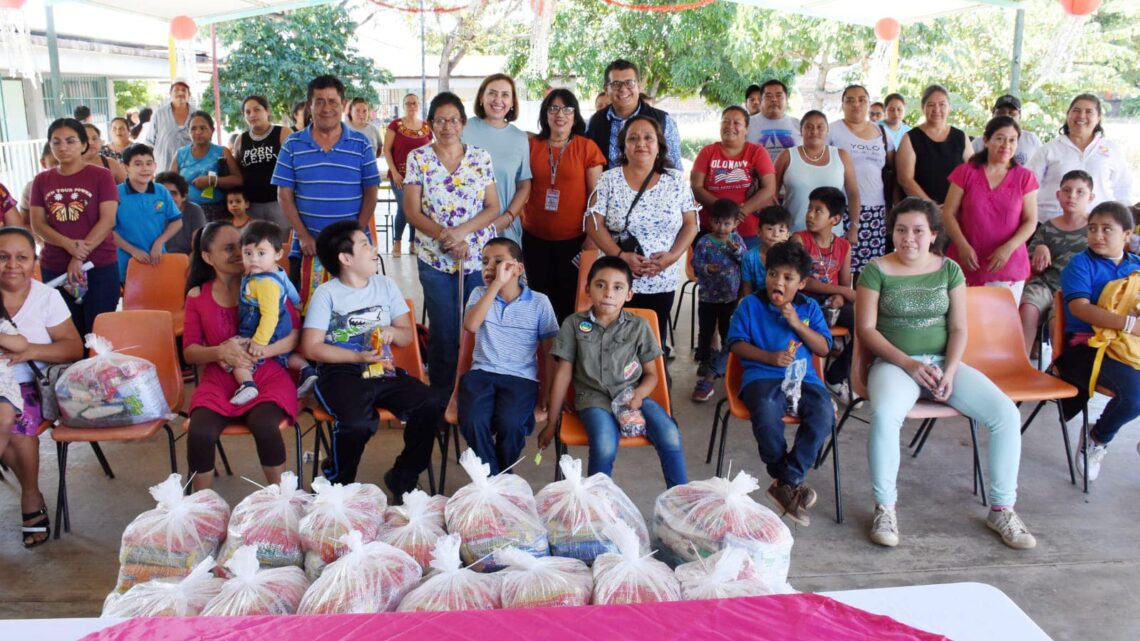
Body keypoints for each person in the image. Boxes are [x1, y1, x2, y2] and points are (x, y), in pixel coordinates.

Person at [858, 197, 1035, 550]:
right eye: (901, 230)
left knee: (1005, 414)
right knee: (886, 414)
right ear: (892, 232)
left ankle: (1002, 508)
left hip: (943, 363)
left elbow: (958, 329)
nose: (909, 238)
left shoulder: (949, 270)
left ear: (933, 234)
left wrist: (950, 370)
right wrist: (909, 364)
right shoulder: (875, 270)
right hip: (896, 365)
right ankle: (885, 507)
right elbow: (866, 330)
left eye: (918, 231)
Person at [300, 221, 444, 501]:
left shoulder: (385, 285)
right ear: (345, 258)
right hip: (340, 372)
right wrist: (355, 355)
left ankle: (404, 475)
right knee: (358, 423)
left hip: (382, 370)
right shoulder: (326, 294)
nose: (374, 249)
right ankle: (337, 483)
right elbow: (312, 347)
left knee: (429, 403)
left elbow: (406, 337)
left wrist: (393, 332)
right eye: (365, 245)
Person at [539, 256, 688, 487]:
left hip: (632, 395)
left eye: (618, 287)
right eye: (600, 285)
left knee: (670, 435)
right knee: (605, 443)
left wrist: (638, 396)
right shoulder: (573, 324)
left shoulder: (639, 326)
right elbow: (563, 374)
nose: (609, 293)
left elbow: (652, 374)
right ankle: (599, 504)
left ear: (629, 294)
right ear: (588, 289)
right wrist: (551, 422)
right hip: (592, 399)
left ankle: (679, 499)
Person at [182, 221, 299, 493]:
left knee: (265, 424)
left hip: (268, 372)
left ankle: (281, 502)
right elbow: (189, 351)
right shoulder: (198, 297)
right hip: (219, 379)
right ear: (207, 257)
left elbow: (295, 335)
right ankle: (200, 509)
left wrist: (259, 351)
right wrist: (220, 352)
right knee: (200, 431)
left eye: (241, 245)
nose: (240, 253)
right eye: (228, 248)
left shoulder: (266, 284)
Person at [726, 240, 834, 525]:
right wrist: (768, 358)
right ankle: (786, 481)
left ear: (802, 283)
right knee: (765, 408)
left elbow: (824, 348)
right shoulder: (750, 305)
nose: (778, 282)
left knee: (824, 412)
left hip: (804, 378)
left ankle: (787, 480)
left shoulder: (809, 308)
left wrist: (797, 324)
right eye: (773, 274)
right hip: (761, 376)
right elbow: (736, 344)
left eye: (788, 278)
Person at [403, 92, 501, 394]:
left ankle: (475, 392)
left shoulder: (480, 157)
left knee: (477, 326)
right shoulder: (418, 158)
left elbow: (493, 207)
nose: (448, 126)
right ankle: (443, 396)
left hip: (476, 260)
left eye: (454, 120)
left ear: (463, 123)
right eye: (441, 120)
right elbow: (411, 210)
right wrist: (445, 237)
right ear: (431, 123)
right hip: (435, 258)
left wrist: (461, 234)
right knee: (444, 331)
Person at [584, 115, 698, 352]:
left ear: (659, 146)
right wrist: (619, 255)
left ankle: (653, 386)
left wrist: (673, 257)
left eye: (648, 138)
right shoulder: (608, 180)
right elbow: (594, 223)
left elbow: (691, 223)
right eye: (633, 138)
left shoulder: (675, 181)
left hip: (661, 277)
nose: (641, 143)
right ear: (624, 146)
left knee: (653, 343)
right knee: (615, 344)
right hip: (617, 279)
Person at [0, 227, 84, 546]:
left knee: (17, 423)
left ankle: (31, 495)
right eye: (3, 257)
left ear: (33, 261)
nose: (12, 265)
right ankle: (31, 495)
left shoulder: (46, 297)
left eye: (21, 258)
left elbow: (73, 348)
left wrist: (29, 350)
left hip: (31, 383)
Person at [1053, 201, 1140, 483]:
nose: (1097, 235)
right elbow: (1080, 308)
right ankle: (1097, 437)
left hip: (1129, 346)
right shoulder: (1081, 264)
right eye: (1092, 228)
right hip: (1088, 347)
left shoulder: (1136, 266)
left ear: (1127, 235)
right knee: (1135, 397)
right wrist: (1129, 323)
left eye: (1107, 229)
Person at [458, 238, 558, 473]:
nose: (489, 267)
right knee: (472, 421)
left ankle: (497, 477)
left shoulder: (539, 302)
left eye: (499, 261)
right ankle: (499, 478)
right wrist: (494, 287)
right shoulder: (479, 294)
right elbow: (471, 326)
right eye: (484, 262)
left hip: (521, 378)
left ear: (518, 269)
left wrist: (547, 392)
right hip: (481, 373)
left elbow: (550, 352)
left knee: (511, 424)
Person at [273, 75, 379, 289]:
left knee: (355, 316)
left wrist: (355, 233)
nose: (326, 108)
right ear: (309, 106)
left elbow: (371, 192)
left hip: (353, 251)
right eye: (319, 101)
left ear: (343, 105)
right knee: (307, 316)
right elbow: (284, 195)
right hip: (307, 249)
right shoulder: (292, 144)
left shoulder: (362, 143)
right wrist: (303, 236)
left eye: (333, 101)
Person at [28, 118, 120, 337]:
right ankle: (72, 372)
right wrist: (69, 246)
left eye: (70, 141)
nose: (63, 147)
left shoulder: (102, 175)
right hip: (56, 265)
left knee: (99, 331)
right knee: (68, 333)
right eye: (56, 142)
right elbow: (37, 223)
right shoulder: (41, 180)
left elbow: (108, 220)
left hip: (99, 264)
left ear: (83, 144)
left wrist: (79, 257)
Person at [523, 88, 605, 322]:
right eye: (554, 108)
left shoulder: (586, 148)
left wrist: (593, 236)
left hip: (574, 240)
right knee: (539, 300)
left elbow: (596, 197)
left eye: (567, 109)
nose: (560, 114)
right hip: (534, 238)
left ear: (575, 115)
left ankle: (565, 355)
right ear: (545, 113)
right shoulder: (532, 146)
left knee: (569, 301)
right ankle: (543, 354)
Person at [942, 116, 1039, 301]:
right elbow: (948, 213)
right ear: (986, 140)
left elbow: (1031, 221)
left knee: (1001, 326)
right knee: (963, 323)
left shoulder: (1025, 177)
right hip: (967, 261)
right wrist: (962, 246)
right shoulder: (966, 172)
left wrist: (1008, 248)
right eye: (1000, 138)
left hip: (1008, 267)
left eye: (1012, 140)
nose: (1006, 145)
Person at [230, 221, 317, 405]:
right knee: (285, 355)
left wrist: (259, 341)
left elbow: (269, 316)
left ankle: (247, 384)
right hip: (282, 327)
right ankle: (306, 370)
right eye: (248, 253)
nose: (254, 259)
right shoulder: (278, 272)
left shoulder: (264, 283)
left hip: (263, 328)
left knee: (239, 357)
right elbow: (290, 287)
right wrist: (297, 302)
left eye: (261, 253)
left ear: (278, 253)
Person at [1027, 93, 1132, 222]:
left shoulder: (1110, 150)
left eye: (1089, 111)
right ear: (1068, 115)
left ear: (1098, 117)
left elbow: (1123, 188)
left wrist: (1125, 221)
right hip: (1049, 225)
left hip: (1097, 227)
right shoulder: (1049, 150)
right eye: (1076, 110)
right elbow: (1026, 186)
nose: (1081, 116)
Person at [1018, 170, 1092, 354]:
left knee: (1058, 319)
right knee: (1028, 306)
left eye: (1080, 192)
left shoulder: (1094, 229)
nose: (1072, 196)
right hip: (1044, 284)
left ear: (1091, 197)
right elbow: (1030, 264)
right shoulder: (1047, 227)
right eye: (1067, 190)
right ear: (1058, 195)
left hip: (1074, 290)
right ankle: (1021, 361)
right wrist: (1040, 249)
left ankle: (1058, 368)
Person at [793, 186, 853, 391]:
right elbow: (802, 281)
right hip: (802, 301)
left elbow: (845, 284)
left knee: (867, 326)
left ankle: (836, 376)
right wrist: (842, 292)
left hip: (830, 304)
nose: (810, 214)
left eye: (818, 210)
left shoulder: (844, 246)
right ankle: (806, 381)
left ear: (834, 219)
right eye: (810, 208)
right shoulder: (800, 240)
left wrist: (840, 296)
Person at [691, 106, 776, 248]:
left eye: (736, 123)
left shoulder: (757, 152)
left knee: (748, 269)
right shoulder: (707, 152)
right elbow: (696, 187)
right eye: (725, 122)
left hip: (749, 230)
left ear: (746, 128)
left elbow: (770, 187)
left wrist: (740, 212)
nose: (730, 126)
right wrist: (724, 212)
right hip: (712, 230)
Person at [462, 74, 532, 245]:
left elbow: (524, 184)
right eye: (492, 93)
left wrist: (507, 218)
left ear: (513, 102)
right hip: (464, 227)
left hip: (505, 230)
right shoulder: (463, 129)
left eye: (505, 95)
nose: (498, 100)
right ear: (481, 97)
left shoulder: (519, 138)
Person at [829, 85, 891, 273]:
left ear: (869, 104)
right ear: (842, 105)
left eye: (862, 100)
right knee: (836, 266)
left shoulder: (882, 133)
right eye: (850, 100)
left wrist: (890, 208)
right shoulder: (832, 130)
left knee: (869, 271)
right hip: (839, 208)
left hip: (875, 211)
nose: (856, 104)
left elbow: (891, 170)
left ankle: (863, 303)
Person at [690, 199, 745, 402]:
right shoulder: (705, 241)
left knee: (727, 330)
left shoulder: (737, 241)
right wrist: (706, 269)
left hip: (729, 296)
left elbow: (745, 260)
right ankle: (704, 359)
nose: (722, 228)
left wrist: (736, 251)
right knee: (705, 329)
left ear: (735, 224)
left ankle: (726, 360)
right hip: (708, 296)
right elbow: (695, 263)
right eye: (717, 223)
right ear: (711, 222)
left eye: (727, 224)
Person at [774, 111, 861, 235]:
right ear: (801, 131)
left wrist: (854, 227)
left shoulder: (841, 156)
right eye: (809, 127)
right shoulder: (787, 156)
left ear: (827, 130)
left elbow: (853, 193)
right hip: (794, 234)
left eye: (820, 127)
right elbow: (771, 193)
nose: (814, 131)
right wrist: (778, 225)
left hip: (831, 236)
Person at [586, 59, 682, 170]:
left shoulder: (663, 121)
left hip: (651, 186)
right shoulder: (596, 122)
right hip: (608, 186)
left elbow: (675, 170)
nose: (623, 89)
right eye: (616, 84)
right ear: (606, 89)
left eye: (629, 83)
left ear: (639, 86)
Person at [112, 143, 183, 282]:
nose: (145, 169)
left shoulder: (161, 190)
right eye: (138, 164)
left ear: (155, 166)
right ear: (125, 167)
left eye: (149, 163)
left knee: (160, 299)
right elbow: (108, 231)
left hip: (157, 258)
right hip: (127, 264)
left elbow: (177, 221)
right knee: (134, 302)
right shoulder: (115, 193)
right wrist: (133, 250)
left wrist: (159, 242)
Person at [896, 85, 972, 205]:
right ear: (923, 108)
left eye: (942, 104)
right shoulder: (910, 138)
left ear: (949, 108)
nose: (937, 109)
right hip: (920, 211)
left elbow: (973, 175)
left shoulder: (961, 137)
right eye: (931, 105)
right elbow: (905, 179)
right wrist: (932, 207)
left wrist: (951, 208)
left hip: (955, 210)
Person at [382, 93, 432, 257]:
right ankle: (397, 242)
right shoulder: (395, 125)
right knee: (404, 208)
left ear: (419, 105)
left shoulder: (426, 127)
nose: (412, 106)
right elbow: (386, 150)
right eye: (408, 103)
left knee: (416, 209)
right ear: (404, 105)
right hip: (399, 176)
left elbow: (431, 152)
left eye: (415, 103)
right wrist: (395, 173)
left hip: (420, 178)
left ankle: (412, 242)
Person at [232, 95, 292, 231]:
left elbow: (296, 167)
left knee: (280, 245)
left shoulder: (283, 133)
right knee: (255, 245)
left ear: (267, 111)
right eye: (247, 112)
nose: (252, 115)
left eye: (257, 110)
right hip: (251, 205)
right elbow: (238, 172)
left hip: (279, 202)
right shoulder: (241, 140)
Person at [172, 111, 243, 223]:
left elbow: (238, 180)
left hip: (216, 210)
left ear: (212, 131)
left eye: (203, 128)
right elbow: (170, 184)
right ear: (188, 132)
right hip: (186, 210)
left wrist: (212, 181)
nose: (198, 132)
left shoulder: (222, 152)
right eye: (193, 129)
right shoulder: (180, 154)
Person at [972, 95, 1041, 165]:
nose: (1006, 117)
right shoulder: (978, 143)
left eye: (1012, 113)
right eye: (1001, 113)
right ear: (993, 113)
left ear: (1020, 115)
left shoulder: (1031, 140)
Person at [745, 79, 801, 164]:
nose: (774, 99)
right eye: (768, 96)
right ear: (761, 100)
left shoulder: (799, 125)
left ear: (787, 99)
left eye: (779, 95)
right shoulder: (746, 124)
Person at [741, 205, 792, 296]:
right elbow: (747, 287)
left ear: (787, 235)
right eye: (770, 229)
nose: (775, 234)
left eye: (781, 230)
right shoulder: (749, 258)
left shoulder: (791, 257)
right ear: (759, 231)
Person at [145, 78, 194, 173]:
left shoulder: (197, 115)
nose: (180, 92)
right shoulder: (159, 114)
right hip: (163, 169)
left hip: (190, 169)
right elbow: (149, 143)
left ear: (189, 94)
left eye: (184, 90)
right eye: (176, 90)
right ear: (170, 93)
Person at [155, 171, 206, 255]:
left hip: (187, 260)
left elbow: (198, 247)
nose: (168, 198)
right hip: (159, 260)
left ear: (183, 197)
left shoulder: (194, 210)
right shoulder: (153, 211)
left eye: (173, 193)